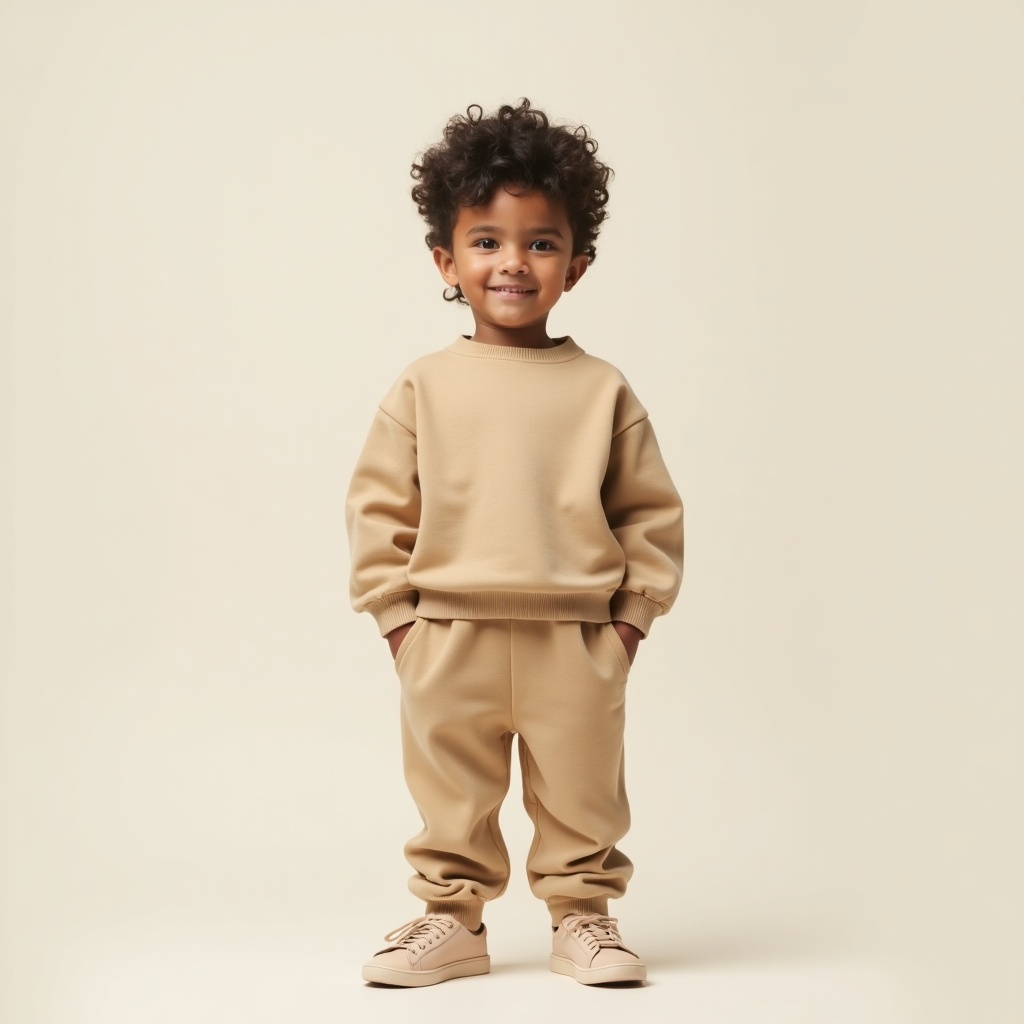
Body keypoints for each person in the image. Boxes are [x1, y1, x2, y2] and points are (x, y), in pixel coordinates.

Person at [345, 99, 684, 987]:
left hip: (575, 635)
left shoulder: (602, 390)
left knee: (583, 790)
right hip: (447, 633)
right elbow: (380, 511)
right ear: (445, 259)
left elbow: (648, 514)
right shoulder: (422, 386)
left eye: (540, 242)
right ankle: (450, 920)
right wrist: (399, 626)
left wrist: (627, 628)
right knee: (449, 792)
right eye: (487, 240)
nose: (512, 262)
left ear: (577, 263)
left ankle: (584, 917)